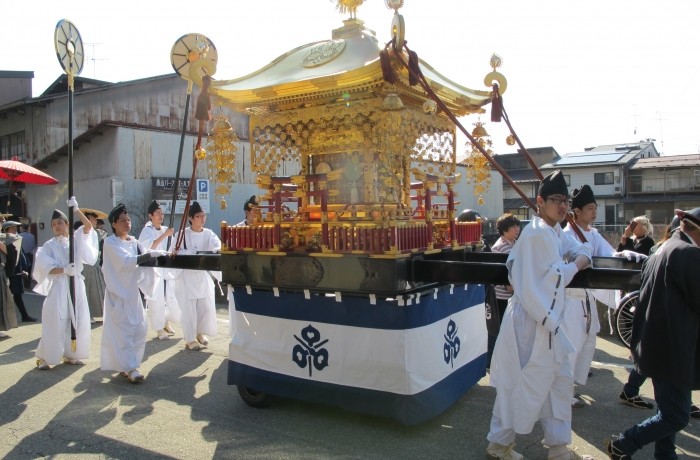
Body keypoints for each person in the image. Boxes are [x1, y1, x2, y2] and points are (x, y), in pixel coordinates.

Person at [486, 170, 593, 460]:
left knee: (559, 382)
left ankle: (558, 449)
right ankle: (499, 445)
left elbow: (581, 249)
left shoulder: (554, 231)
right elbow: (552, 278)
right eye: (556, 200)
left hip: (547, 322)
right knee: (518, 383)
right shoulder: (535, 234)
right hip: (531, 321)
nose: (562, 206)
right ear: (540, 201)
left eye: (565, 201)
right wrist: (577, 265)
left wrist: (581, 258)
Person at [605, 207, 700, 460]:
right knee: (676, 416)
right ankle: (624, 444)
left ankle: (665, 454)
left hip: (653, 343)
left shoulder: (661, 249)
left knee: (668, 409)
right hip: (674, 346)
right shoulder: (689, 254)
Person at [561, 185, 618, 408]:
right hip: (571, 300)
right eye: (590, 208)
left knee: (587, 343)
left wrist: (623, 256)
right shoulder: (566, 234)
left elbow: (608, 254)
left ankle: (570, 388)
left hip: (587, 299)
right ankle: (562, 393)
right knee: (571, 347)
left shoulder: (593, 234)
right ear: (577, 211)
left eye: (595, 208)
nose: (594, 212)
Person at [100, 203, 163, 383]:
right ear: (113, 224)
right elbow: (124, 262)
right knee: (124, 331)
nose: (127, 223)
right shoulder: (109, 243)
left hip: (133, 294)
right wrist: (149, 256)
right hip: (118, 294)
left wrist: (161, 257)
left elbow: (146, 256)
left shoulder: (134, 242)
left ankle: (129, 365)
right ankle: (130, 368)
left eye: (128, 220)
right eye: (122, 220)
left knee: (140, 329)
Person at [33, 199, 99, 369]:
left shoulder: (76, 239)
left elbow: (88, 227)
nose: (57, 226)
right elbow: (44, 267)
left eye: (60, 223)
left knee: (77, 319)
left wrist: (76, 209)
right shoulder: (48, 246)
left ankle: (72, 354)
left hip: (76, 283)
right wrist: (63, 270)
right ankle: (47, 356)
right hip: (60, 285)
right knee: (54, 319)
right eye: (54, 224)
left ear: (67, 224)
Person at [170, 201, 222, 351]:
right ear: (191, 218)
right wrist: (189, 253)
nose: (202, 218)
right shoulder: (181, 235)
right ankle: (190, 339)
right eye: (198, 216)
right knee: (189, 310)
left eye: (203, 215)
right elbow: (174, 252)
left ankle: (200, 332)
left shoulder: (208, 233)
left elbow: (215, 244)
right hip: (186, 278)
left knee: (204, 307)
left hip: (201, 276)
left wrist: (217, 249)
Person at [138, 200, 179, 340]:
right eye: (157, 213)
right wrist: (165, 235)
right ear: (151, 215)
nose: (161, 216)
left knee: (170, 298)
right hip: (154, 269)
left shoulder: (166, 229)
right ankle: (159, 328)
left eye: (162, 213)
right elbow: (149, 247)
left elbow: (171, 247)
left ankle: (166, 321)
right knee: (156, 300)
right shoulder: (147, 230)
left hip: (165, 269)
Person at [486, 213, 520, 368]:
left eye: (517, 226)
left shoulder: (513, 244)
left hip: (512, 293)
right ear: (504, 229)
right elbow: (506, 275)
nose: (517, 229)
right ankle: (493, 361)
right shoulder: (501, 247)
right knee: (498, 329)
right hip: (502, 295)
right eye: (513, 226)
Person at [3, 221, 35, 322]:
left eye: (15, 229)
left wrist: (24, 269)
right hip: (7, 272)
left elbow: (21, 257)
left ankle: (24, 315)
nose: (15, 231)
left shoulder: (16, 240)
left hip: (17, 272)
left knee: (17, 296)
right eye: (12, 229)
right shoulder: (4, 242)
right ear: (6, 230)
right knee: (6, 298)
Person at [80, 209, 107, 322]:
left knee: (101, 291)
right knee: (86, 292)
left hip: (96, 265)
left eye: (95, 219)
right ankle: (87, 315)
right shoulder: (81, 232)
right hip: (84, 267)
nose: (95, 221)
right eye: (92, 219)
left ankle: (103, 313)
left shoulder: (99, 234)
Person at [0, 215, 18, 338]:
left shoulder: (6, 238)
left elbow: (12, 255)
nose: (3, 222)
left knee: (2, 300)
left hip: (1, 271)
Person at [19, 224, 36, 289]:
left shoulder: (19, 236)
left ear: (22, 228)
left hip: (23, 254)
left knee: (23, 269)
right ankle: (28, 284)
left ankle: (25, 285)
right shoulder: (32, 236)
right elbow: (34, 244)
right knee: (30, 269)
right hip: (30, 254)